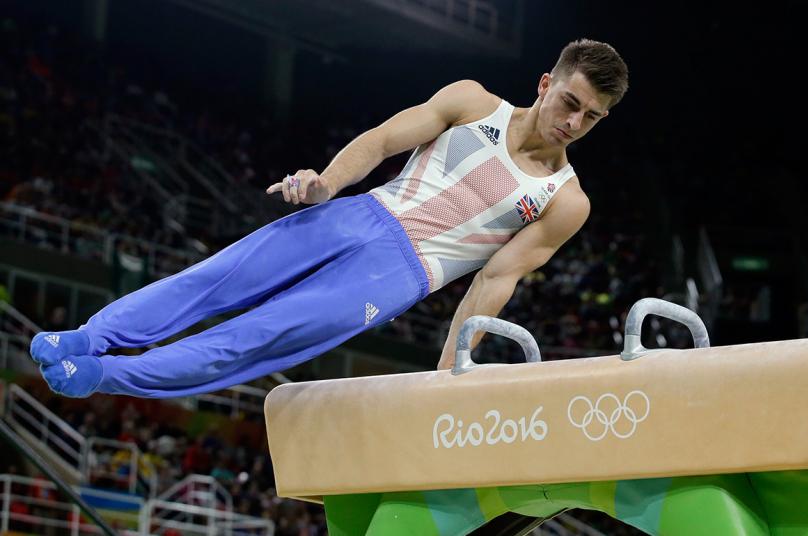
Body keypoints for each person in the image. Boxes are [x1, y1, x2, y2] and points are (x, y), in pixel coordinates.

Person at [31, 39, 628, 398]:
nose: (573, 123)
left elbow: (494, 281)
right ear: (546, 83)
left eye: (592, 118)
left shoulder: (564, 201)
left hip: (400, 275)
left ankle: (102, 375)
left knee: (252, 339)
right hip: (358, 215)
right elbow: (384, 138)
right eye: (570, 103)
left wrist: (450, 372)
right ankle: (89, 337)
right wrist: (327, 184)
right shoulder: (473, 101)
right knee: (214, 280)